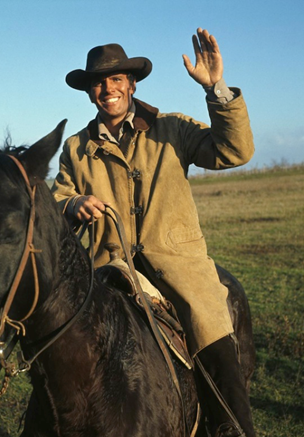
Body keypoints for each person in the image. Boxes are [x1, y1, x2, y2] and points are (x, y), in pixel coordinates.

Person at [51, 28, 255, 437]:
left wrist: (216, 88)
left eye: (115, 79)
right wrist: (72, 204)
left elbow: (235, 151)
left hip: (179, 268)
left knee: (211, 333)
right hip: (110, 270)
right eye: (98, 82)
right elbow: (58, 203)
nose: (107, 88)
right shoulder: (75, 148)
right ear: (90, 92)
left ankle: (233, 427)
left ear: (132, 84)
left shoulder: (172, 128)